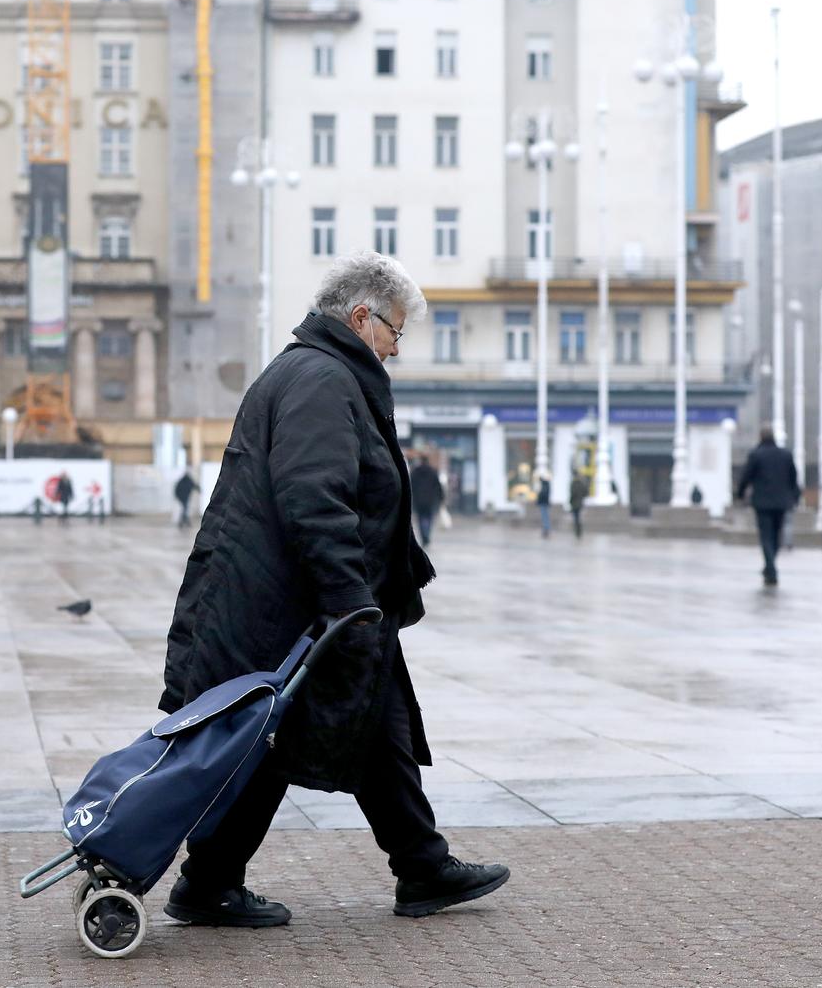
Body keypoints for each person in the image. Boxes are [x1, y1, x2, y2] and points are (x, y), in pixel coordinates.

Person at [159, 251, 509, 929]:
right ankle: (211, 879)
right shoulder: (322, 378)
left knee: (372, 724)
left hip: (309, 602)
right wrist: (350, 600)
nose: (396, 349)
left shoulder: (319, 371)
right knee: (275, 737)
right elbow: (314, 497)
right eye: (394, 332)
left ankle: (420, 863)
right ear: (359, 316)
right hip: (301, 604)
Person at [736, 426, 799, 586]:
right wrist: (794, 497)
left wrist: (740, 493)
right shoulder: (785, 455)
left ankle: (770, 569)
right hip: (782, 503)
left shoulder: (756, 455)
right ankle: (770, 567)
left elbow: (746, 476)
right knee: (776, 537)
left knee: (766, 537)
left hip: (763, 503)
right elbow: (793, 478)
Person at [410, 454, 443, 547]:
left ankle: (424, 536)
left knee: (421, 519)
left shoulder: (415, 471)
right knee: (429, 518)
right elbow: (438, 486)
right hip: (430, 500)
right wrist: (441, 498)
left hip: (418, 500)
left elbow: (410, 486)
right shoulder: (433, 471)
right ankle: (427, 534)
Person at [569, 473, 589, 539]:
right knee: (578, 517)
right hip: (580, 503)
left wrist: (570, 501)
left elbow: (572, 494)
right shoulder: (581, 484)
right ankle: (579, 530)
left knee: (576, 518)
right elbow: (585, 492)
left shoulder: (573, 484)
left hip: (574, 503)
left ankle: (578, 531)